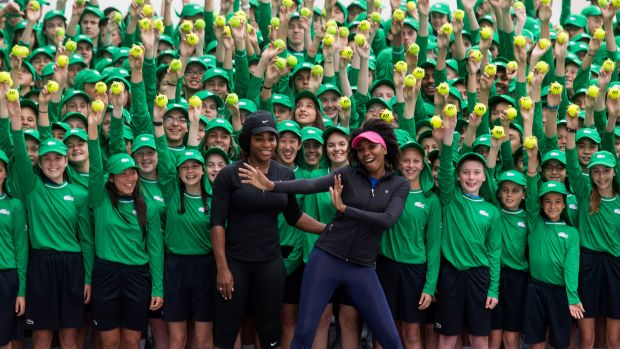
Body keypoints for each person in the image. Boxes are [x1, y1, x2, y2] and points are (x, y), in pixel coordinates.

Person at [239, 118, 409, 349]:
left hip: (362, 267)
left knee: (390, 337)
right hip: (326, 258)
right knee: (305, 332)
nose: (366, 153)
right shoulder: (349, 174)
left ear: (384, 148)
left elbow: (388, 220)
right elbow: (310, 185)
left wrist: (345, 210)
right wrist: (272, 186)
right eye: (360, 149)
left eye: (371, 146)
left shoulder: (399, 184)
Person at [209, 110, 325, 349]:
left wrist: (328, 229)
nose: (266, 144)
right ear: (248, 140)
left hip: (270, 264)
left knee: (271, 332)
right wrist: (222, 268)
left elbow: (295, 217)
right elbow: (217, 223)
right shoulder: (229, 174)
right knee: (226, 331)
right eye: (259, 138)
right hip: (235, 263)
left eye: (271, 138)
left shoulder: (284, 174)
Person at [7, 92, 93, 349]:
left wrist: (88, 277)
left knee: (69, 336)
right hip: (41, 265)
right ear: (40, 163)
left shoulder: (79, 194)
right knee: (42, 335)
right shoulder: (32, 186)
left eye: (58, 158)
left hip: (72, 265)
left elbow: (87, 241)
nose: (52, 163)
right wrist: (14, 116)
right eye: (47, 158)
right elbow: (20, 149)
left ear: (67, 161)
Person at [87, 106, 164, 349]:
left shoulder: (148, 207)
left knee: (132, 341)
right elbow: (96, 165)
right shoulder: (100, 200)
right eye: (122, 174)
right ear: (110, 178)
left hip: (137, 276)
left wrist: (158, 287)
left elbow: (155, 250)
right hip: (106, 273)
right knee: (109, 342)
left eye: (133, 173)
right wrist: (93, 127)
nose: (129, 178)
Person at [434, 111, 501, 349]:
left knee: (479, 338)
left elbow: (494, 252)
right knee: (448, 337)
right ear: (458, 176)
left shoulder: (491, 211)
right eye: (465, 172)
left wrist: (493, 287)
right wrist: (449, 137)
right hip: (450, 274)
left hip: (480, 278)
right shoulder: (449, 198)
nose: (470, 177)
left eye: (476, 172)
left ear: (484, 177)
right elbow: (444, 172)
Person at [376, 141, 440, 349]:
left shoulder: (430, 200)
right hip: (386, 267)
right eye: (406, 160)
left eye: (416, 161)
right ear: (398, 162)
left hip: (414, 272)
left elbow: (433, 246)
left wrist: (430, 286)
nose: (411, 165)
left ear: (423, 165)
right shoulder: (386, 190)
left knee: (411, 333)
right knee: (383, 329)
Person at [566, 106, 620, 349]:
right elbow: (571, 161)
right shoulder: (584, 190)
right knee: (587, 338)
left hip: (615, 267)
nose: (601, 177)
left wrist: (612, 116)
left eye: (606, 171)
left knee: (613, 338)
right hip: (588, 265)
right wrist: (570, 129)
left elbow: (608, 139)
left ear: (614, 171)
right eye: (596, 171)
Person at [524, 141, 584, 349]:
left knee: (561, 341)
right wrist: (532, 161)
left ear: (565, 204)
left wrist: (572, 296)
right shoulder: (534, 222)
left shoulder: (571, 232)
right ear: (541, 203)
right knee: (536, 339)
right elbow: (531, 190)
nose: (552, 206)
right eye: (547, 201)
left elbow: (571, 267)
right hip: (535, 289)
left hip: (560, 291)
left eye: (558, 201)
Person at [0, 150, 27, 349]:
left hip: (6, 277)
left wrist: (21, 291)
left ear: (5, 173)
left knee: (4, 338)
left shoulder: (14, 205)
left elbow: (21, 250)